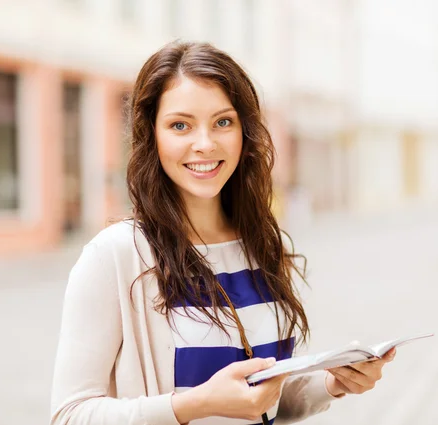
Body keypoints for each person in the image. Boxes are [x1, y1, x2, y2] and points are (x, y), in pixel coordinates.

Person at [50, 41, 396, 425]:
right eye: (180, 125)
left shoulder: (262, 244)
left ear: (244, 132)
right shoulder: (116, 256)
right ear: (153, 135)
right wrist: (195, 405)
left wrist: (333, 382)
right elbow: (70, 414)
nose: (205, 144)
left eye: (223, 122)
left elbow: (265, 400)